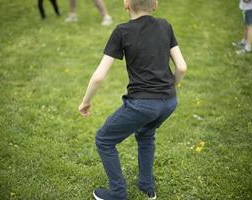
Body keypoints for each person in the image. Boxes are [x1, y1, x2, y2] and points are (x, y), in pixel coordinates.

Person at [78, 0, 187, 199]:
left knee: (104, 140)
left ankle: (118, 193)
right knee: (146, 134)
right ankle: (147, 186)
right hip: (169, 102)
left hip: (142, 105)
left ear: (126, 4)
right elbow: (181, 67)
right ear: (155, 4)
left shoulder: (122, 31)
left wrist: (86, 101)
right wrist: (172, 87)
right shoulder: (165, 25)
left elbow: (99, 76)